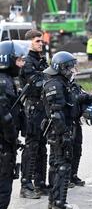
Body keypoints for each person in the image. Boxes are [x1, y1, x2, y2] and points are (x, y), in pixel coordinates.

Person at [42, 51, 78, 209]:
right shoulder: (54, 85)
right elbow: (56, 114)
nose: (72, 71)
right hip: (59, 131)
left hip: (60, 130)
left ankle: (53, 199)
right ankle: (59, 202)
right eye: (70, 68)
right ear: (61, 68)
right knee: (62, 166)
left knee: (57, 165)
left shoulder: (61, 83)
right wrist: (65, 134)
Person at [0, 41, 26, 209]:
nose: (21, 64)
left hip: (6, 145)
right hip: (3, 146)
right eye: (18, 60)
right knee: (3, 192)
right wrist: (11, 138)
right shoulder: (3, 84)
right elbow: (5, 116)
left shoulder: (8, 81)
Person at [19, 29, 49, 199]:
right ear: (29, 42)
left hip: (43, 108)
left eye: (41, 41)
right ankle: (26, 184)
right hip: (32, 107)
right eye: (38, 41)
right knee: (31, 146)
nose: (41, 43)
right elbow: (35, 84)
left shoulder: (41, 60)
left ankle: (40, 183)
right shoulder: (27, 61)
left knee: (42, 146)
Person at [69, 82, 92, 187]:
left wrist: (82, 97)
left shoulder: (75, 86)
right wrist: (78, 98)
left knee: (77, 150)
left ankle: (73, 175)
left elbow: (90, 97)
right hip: (67, 123)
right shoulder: (61, 85)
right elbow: (69, 100)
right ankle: (65, 178)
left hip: (76, 122)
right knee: (66, 152)